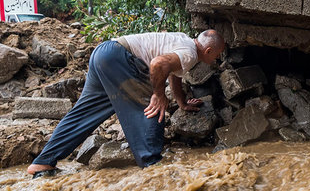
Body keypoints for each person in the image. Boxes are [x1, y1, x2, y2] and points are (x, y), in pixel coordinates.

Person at [27, 30, 226, 177]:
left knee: (85, 113)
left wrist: (181, 101)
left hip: (104, 53)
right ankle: (153, 168)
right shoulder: (191, 54)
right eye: (216, 56)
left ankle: (43, 162)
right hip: (120, 59)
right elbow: (158, 64)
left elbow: (174, 72)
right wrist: (158, 95)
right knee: (152, 109)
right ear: (208, 50)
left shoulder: (184, 40)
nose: (215, 60)